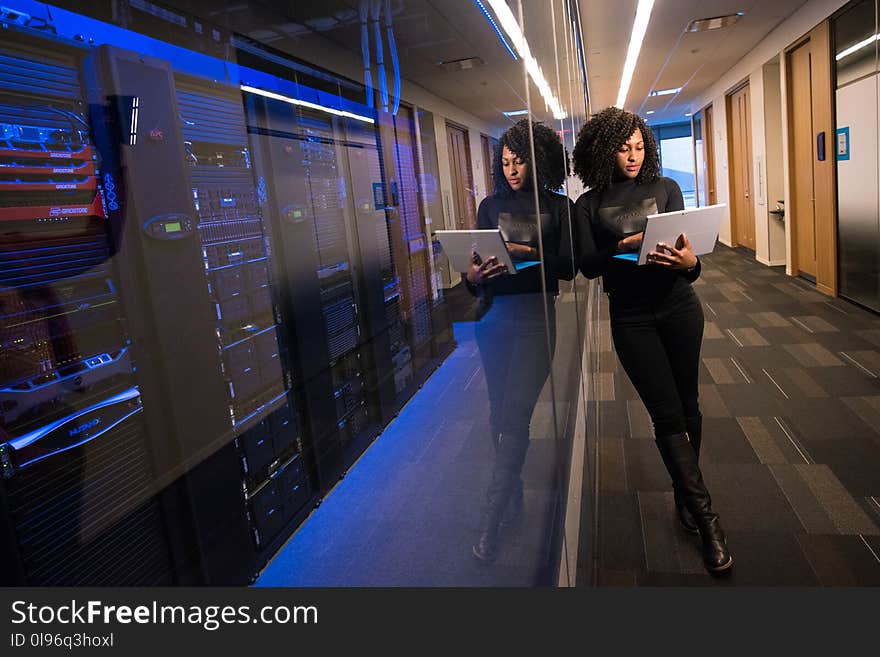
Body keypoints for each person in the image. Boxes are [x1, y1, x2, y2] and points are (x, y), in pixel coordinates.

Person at [572, 107, 732, 573]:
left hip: (679, 305)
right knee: (665, 416)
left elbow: (689, 256)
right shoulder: (588, 203)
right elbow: (587, 264)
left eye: (640, 147)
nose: (634, 156)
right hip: (631, 316)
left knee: (689, 406)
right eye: (624, 148)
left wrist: (691, 265)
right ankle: (707, 522)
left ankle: (685, 496)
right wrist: (625, 245)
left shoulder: (666, 189)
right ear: (604, 150)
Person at [465, 119, 575, 563]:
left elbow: (568, 268)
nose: (512, 169)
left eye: (520, 160)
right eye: (506, 162)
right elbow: (473, 277)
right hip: (494, 319)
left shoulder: (558, 206)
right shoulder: (489, 206)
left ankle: (491, 515)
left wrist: (527, 253)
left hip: (535, 320)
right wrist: (473, 276)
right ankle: (512, 496)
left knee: (515, 413)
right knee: (499, 414)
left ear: (538, 159)